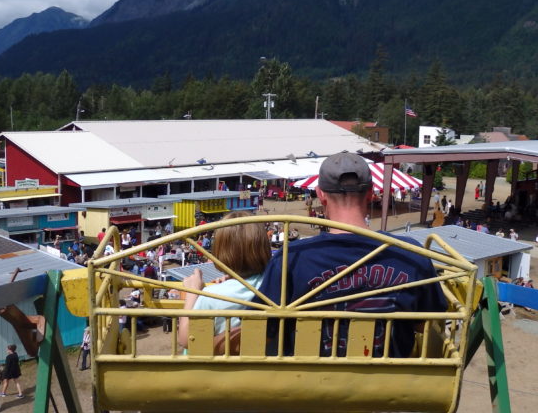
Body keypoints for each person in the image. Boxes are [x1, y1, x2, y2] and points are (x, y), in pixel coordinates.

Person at [259, 152, 446, 358]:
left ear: (320, 194)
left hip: (309, 384)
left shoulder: (291, 257)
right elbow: (427, 324)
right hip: (390, 383)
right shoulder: (411, 254)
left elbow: (261, 330)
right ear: (371, 193)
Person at [177, 211, 271, 355]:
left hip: (211, 372)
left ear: (220, 251)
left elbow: (186, 339)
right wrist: (231, 281)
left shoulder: (212, 296)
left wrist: (192, 292)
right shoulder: (273, 284)